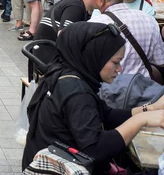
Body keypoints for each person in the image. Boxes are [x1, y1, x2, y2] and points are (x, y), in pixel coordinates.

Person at [23, 21, 164, 172]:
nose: (119, 69)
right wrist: (141, 120)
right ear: (94, 56)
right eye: (115, 62)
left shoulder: (65, 73)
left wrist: (150, 109)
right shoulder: (76, 92)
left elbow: (106, 115)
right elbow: (96, 149)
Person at [87, 0, 164, 77]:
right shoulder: (149, 21)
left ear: (101, 0)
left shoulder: (93, 25)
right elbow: (159, 60)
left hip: (109, 89)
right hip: (145, 88)